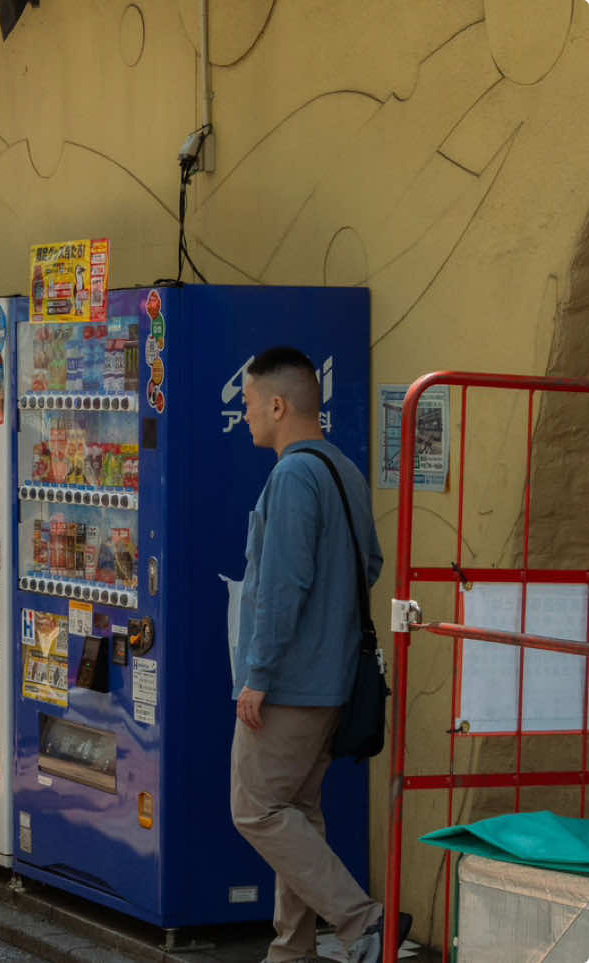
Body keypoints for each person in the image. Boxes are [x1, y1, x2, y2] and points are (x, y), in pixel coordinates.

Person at [231, 347, 410, 963]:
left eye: (251, 404)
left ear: (278, 405)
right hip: (334, 680)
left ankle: (364, 921)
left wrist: (258, 676)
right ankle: (292, 951)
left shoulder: (291, 476)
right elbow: (371, 565)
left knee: (254, 809)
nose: (247, 415)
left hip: (289, 685)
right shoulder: (343, 470)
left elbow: (282, 586)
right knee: (298, 812)